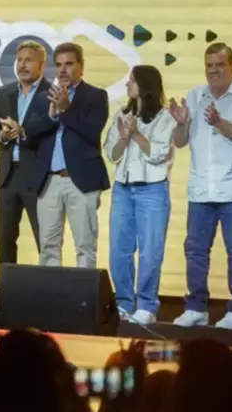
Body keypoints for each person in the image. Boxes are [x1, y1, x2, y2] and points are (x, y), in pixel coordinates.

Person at [169, 42, 232, 331]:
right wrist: (181, 124)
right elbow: (180, 142)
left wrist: (219, 122)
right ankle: (196, 308)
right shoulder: (194, 95)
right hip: (202, 189)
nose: (214, 71)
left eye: (220, 65)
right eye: (209, 65)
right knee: (195, 251)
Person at [24, 42, 109, 269]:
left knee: (85, 246)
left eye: (69, 64)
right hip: (49, 181)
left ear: (81, 66)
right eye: (59, 65)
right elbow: (29, 134)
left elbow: (92, 132)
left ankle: (84, 292)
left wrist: (67, 109)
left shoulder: (95, 96)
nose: (63, 70)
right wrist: (52, 116)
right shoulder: (43, 97)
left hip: (81, 180)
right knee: (48, 247)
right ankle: (50, 291)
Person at [103, 65, 175, 324]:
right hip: (123, 187)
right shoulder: (122, 114)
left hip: (152, 189)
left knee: (150, 250)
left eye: (132, 81)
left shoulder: (165, 118)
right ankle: (124, 302)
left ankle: (146, 305)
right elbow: (112, 154)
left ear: (145, 85)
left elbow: (159, 154)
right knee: (119, 249)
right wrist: (124, 137)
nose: (127, 85)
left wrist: (135, 134)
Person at [0, 40, 50, 310]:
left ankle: (47, 297)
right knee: (6, 239)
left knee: (44, 240)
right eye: (19, 60)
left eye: (29, 60)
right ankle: (6, 297)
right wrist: (3, 135)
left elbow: (50, 130)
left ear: (42, 65)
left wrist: (23, 132)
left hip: (37, 176)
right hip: (8, 175)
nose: (22, 65)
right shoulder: (5, 92)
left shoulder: (51, 94)